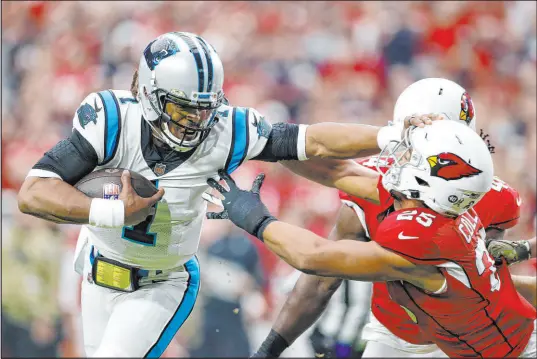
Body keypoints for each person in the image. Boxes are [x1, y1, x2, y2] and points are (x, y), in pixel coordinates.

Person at [16, 31, 433, 357]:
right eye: (184, 109)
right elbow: (33, 193)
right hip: (96, 270)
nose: (197, 122)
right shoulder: (109, 121)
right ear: (149, 95)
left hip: (162, 282)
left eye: (205, 108)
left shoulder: (226, 130)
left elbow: (314, 142)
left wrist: (390, 135)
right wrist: (110, 212)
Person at [251, 78, 534, 358]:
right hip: (397, 334)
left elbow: (317, 261)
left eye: (416, 134)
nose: (402, 148)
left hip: (470, 340)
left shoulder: (490, 199)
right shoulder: (405, 184)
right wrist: (269, 142)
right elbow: (322, 278)